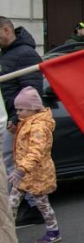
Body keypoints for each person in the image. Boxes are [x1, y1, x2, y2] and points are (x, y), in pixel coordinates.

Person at [0, 17, 45, 226]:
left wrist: (17, 117)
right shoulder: (8, 54)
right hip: (11, 120)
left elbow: (32, 92)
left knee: (14, 166)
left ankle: (23, 209)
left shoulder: (24, 54)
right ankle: (28, 208)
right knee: (14, 166)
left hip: (17, 122)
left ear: (7, 30)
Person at [7, 88, 60, 243]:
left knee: (42, 204)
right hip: (25, 173)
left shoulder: (39, 127)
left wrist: (21, 169)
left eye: (20, 109)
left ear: (32, 109)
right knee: (12, 202)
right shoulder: (29, 122)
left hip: (37, 174)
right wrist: (16, 130)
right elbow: (26, 141)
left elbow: (35, 151)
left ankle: (53, 231)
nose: (17, 113)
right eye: (17, 109)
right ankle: (8, 235)